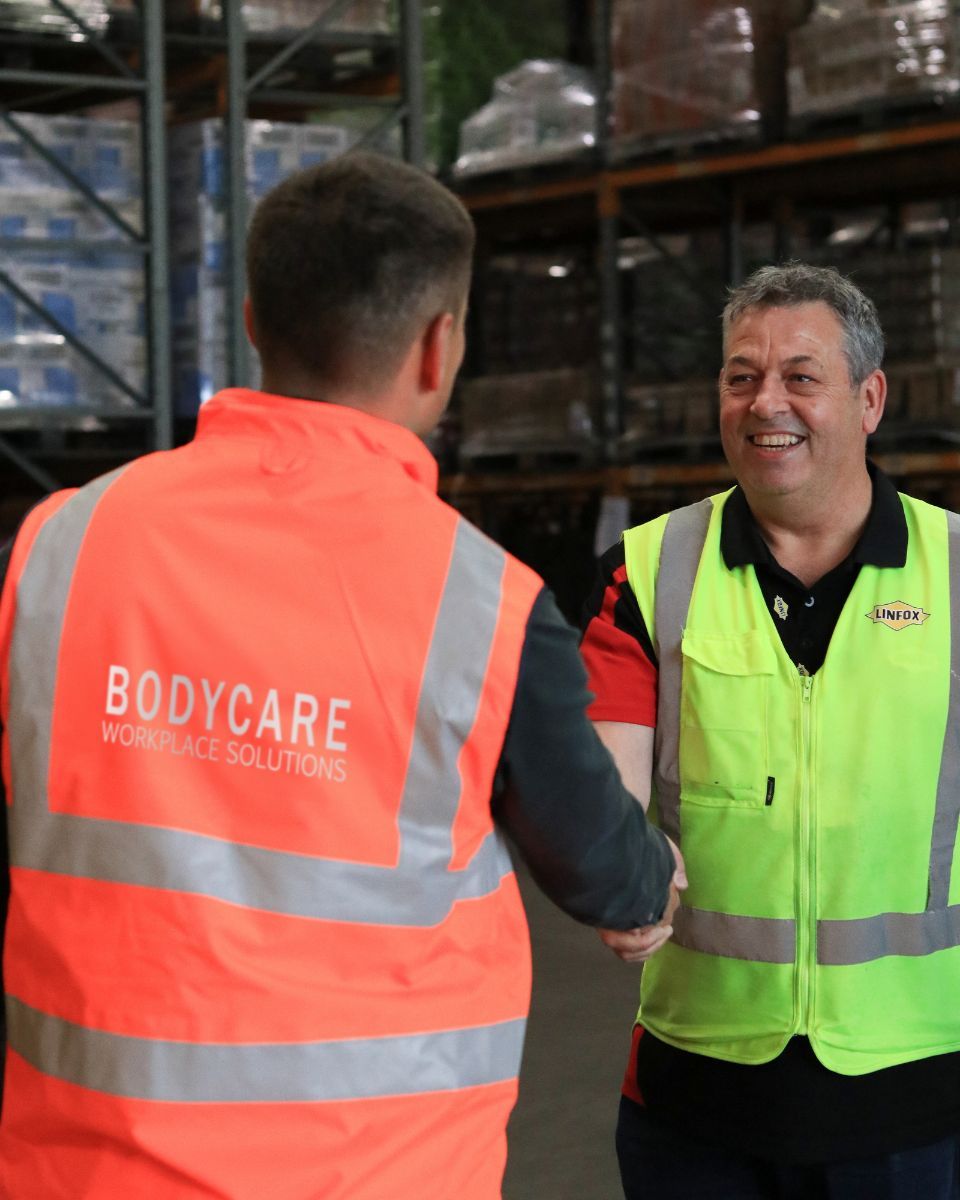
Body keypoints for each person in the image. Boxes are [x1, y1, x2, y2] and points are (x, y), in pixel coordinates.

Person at [0, 152, 680, 1199]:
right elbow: (605, 868)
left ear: (255, 320)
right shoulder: (481, 602)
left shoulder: (58, 544)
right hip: (375, 1174)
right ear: (438, 346)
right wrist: (651, 881)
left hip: (82, 1171)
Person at [580, 261, 960, 1200]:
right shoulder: (648, 572)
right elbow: (606, 787)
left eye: (801, 376)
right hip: (699, 1099)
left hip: (918, 1094)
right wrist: (619, 871)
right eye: (740, 375)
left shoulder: (956, 574)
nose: (764, 403)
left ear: (869, 399)